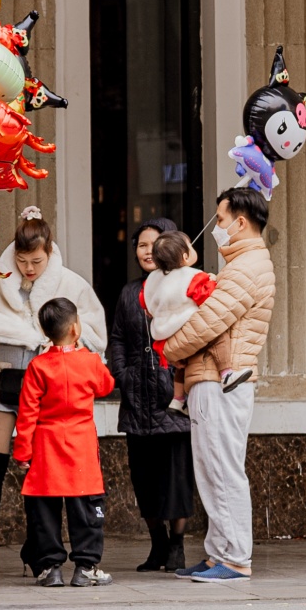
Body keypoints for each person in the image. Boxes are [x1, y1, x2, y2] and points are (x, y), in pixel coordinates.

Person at [0, 207, 108, 558]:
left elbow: (92, 331)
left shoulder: (71, 283)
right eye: (23, 259)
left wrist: (59, 344)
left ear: (50, 252)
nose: (29, 268)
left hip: (49, 387)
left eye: (37, 261)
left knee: (42, 470)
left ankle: (38, 550)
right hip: (2, 380)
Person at [164, 187, 276, 584]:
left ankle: (233, 556)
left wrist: (170, 349)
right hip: (211, 378)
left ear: (241, 222)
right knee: (212, 467)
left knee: (222, 468)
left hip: (220, 380)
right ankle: (218, 553)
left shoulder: (248, 268)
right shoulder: (242, 264)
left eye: (221, 220)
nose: (217, 227)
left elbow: (208, 323)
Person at [105, 218, 196, 574]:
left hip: (171, 398)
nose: (147, 251)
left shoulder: (184, 285)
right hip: (136, 400)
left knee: (175, 479)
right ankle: (157, 544)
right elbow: (118, 339)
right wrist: (123, 375)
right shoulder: (129, 292)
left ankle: (177, 546)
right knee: (144, 479)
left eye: (154, 244)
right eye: (141, 245)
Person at [13, 298, 117, 587]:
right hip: (81, 445)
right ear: (75, 328)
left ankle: (50, 568)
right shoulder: (90, 362)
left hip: (46, 445)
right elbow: (107, 385)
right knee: (85, 506)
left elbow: (27, 413)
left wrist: (22, 452)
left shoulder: (38, 366)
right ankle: (86, 567)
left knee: (44, 510)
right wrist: (87, 355)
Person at [145, 230, 249, 411]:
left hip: (165, 335)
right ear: (185, 257)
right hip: (188, 324)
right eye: (190, 247)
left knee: (181, 367)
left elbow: (146, 304)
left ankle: (177, 399)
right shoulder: (192, 276)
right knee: (218, 335)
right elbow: (205, 297)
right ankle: (226, 373)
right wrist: (212, 281)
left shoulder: (153, 279)